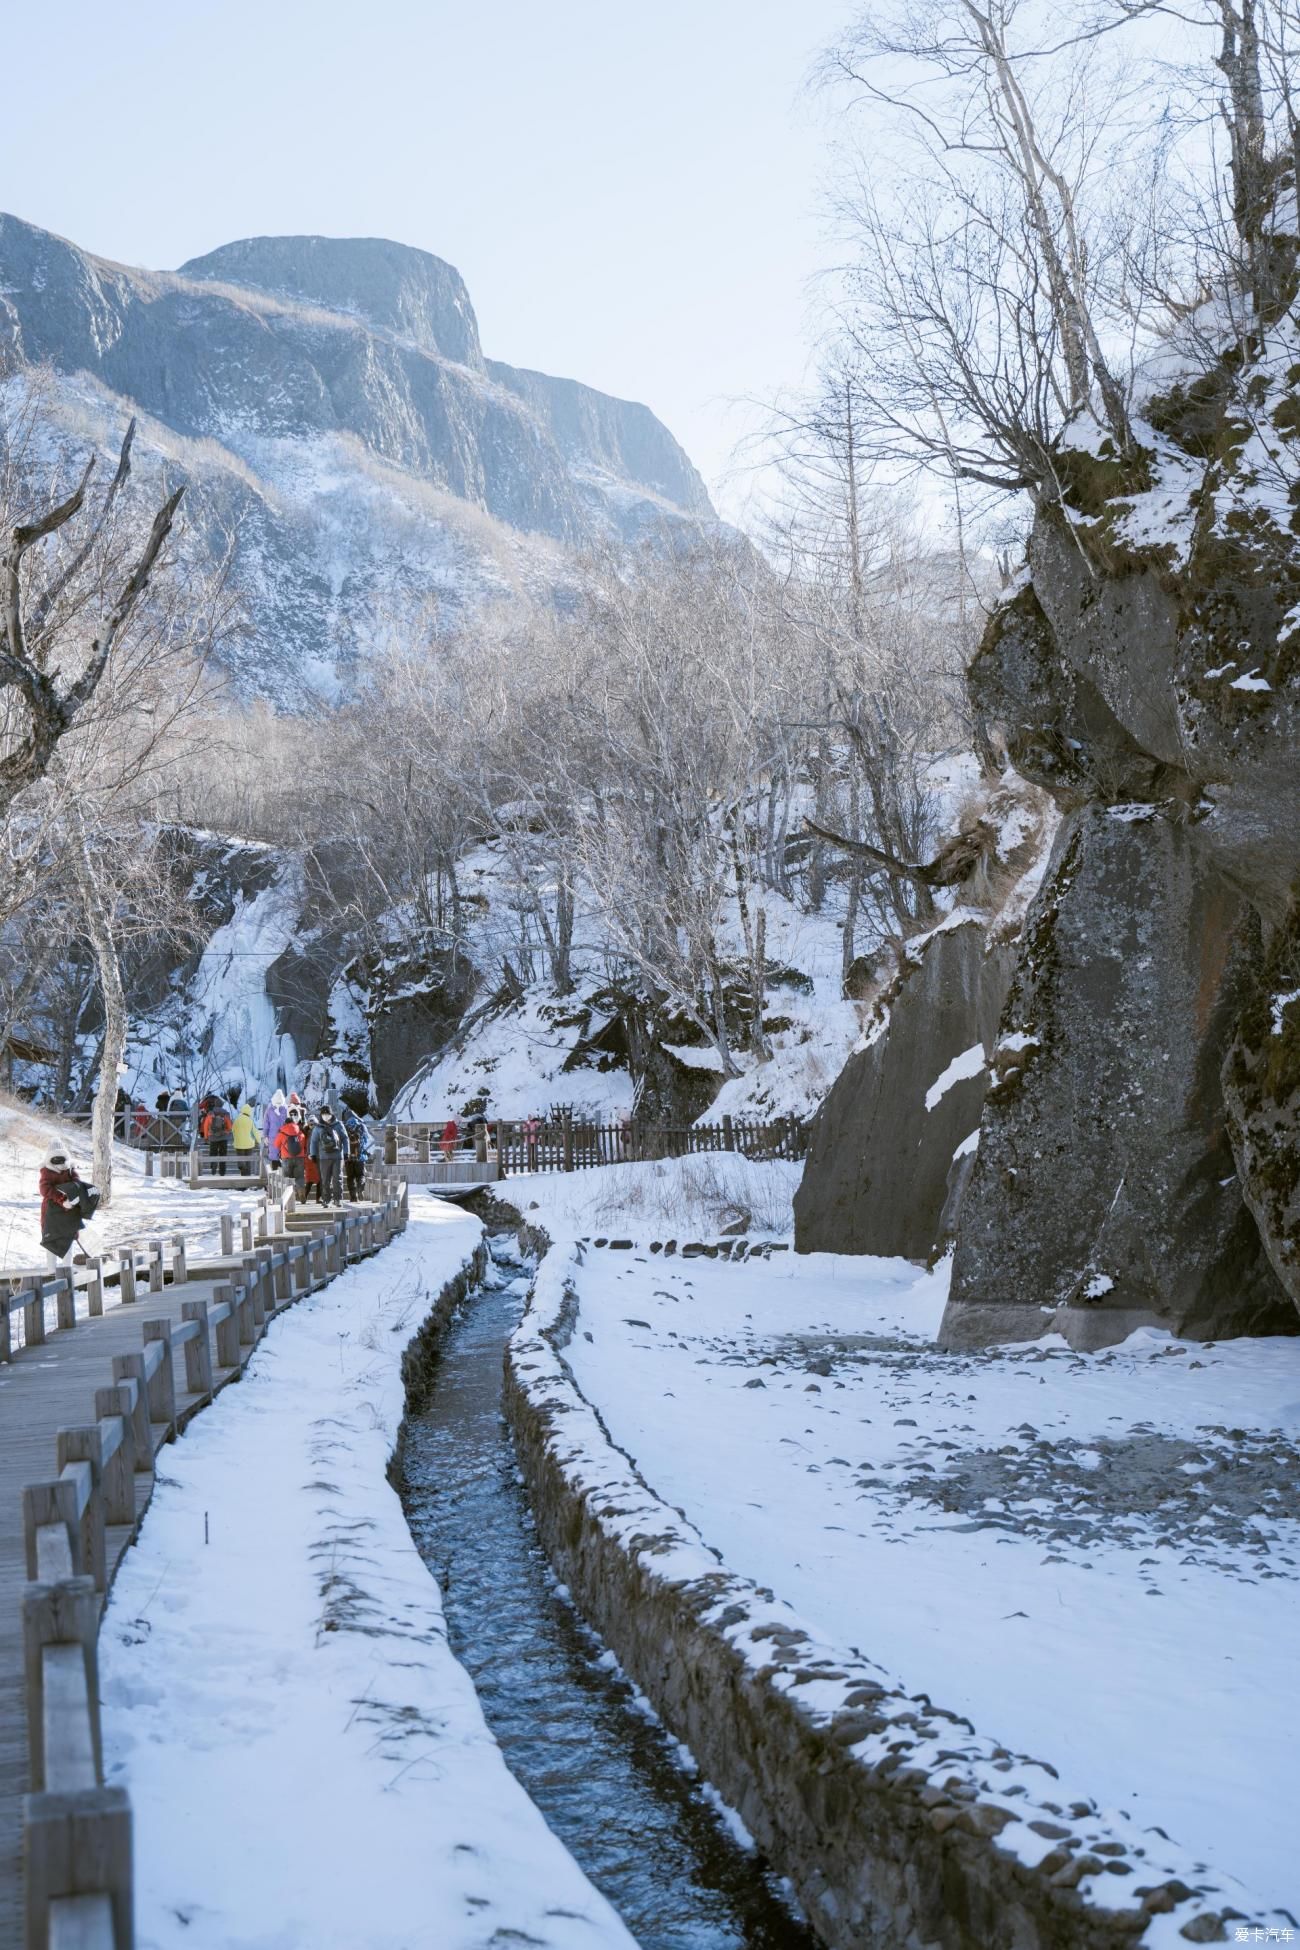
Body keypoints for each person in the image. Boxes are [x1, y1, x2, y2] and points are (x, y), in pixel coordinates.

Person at [39, 1149, 99, 1267]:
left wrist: (73, 1195)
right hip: (52, 1212)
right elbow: (44, 1189)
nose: (60, 1164)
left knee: (68, 1239)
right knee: (52, 1240)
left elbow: (77, 1185)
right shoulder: (46, 1172)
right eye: (56, 1161)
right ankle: (51, 1271)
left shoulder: (70, 1171)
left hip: (69, 1212)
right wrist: (61, 1199)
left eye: (62, 1160)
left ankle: (67, 1269)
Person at [310, 1106, 345, 1207]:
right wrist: (313, 1154)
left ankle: (338, 1199)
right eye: (323, 1114)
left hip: (337, 1156)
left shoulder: (339, 1125)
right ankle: (326, 1199)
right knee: (325, 1179)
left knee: (337, 1178)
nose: (326, 1116)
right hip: (324, 1157)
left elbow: (345, 1138)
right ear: (321, 1115)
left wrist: (347, 1152)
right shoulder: (318, 1127)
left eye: (328, 1114)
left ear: (331, 1114)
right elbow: (313, 1142)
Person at [339, 1106, 372, 1201]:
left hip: (348, 1157)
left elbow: (341, 1141)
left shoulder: (344, 1127)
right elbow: (367, 1140)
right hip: (360, 1157)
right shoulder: (361, 1126)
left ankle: (353, 1197)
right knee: (360, 1175)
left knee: (350, 1178)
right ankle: (360, 1187)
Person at [275, 1111, 306, 1198]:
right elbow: (303, 1143)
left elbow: (276, 1145)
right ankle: (302, 1193)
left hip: (286, 1158)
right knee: (299, 1177)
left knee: (288, 1178)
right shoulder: (299, 1132)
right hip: (299, 1158)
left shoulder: (282, 1132)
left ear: (285, 1123)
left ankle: (290, 1198)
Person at [201, 1098, 232, 1176]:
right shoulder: (226, 1113)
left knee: (213, 1153)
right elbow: (230, 1127)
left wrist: (206, 1137)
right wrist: (226, 1132)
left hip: (212, 1137)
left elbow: (206, 1126)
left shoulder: (210, 1113)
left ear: (215, 1104)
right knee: (223, 1154)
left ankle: (213, 1166)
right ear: (222, 1105)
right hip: (223, 1137)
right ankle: (222, 1172)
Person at [263, 1089, 288, 1168]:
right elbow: (266, 1124)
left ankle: (283, 1178)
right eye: (277, 1102)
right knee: (274, 1159)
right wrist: (265, 1136)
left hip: (284, 1137)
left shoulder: (285, 1109)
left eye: (280, 1102)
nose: (278, 1104)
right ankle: (274, 1176)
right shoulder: (270, 1110)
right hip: (272, 1137)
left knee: (283, 1158)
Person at [232, 1100, 258, 1178]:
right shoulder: (250, 1120)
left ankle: (242, 1171)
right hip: (249, 1144)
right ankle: (248, 1177)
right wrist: (258, 1141)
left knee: (241, 1159)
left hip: (239, 1144)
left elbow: (233, 1130)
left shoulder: (237, 1120)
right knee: (248, 1160)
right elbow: (255, 1132)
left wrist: (236, 1138)